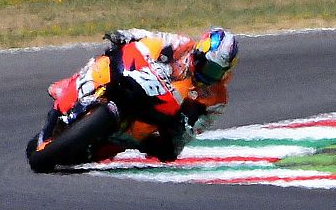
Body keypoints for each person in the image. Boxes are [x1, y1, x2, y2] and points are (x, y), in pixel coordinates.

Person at [100, 27, 239, 161]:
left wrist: (185, 127)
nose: (210, 74)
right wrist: (127, 35)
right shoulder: (181, 44)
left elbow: (198, 128)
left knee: (169, 152)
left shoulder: (217, 98)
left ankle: (127, 140)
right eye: (210, 67)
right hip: (143, 81)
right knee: (112, 57)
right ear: (200, 54)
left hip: (165, 116)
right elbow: (151, 37)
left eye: (217, 71)